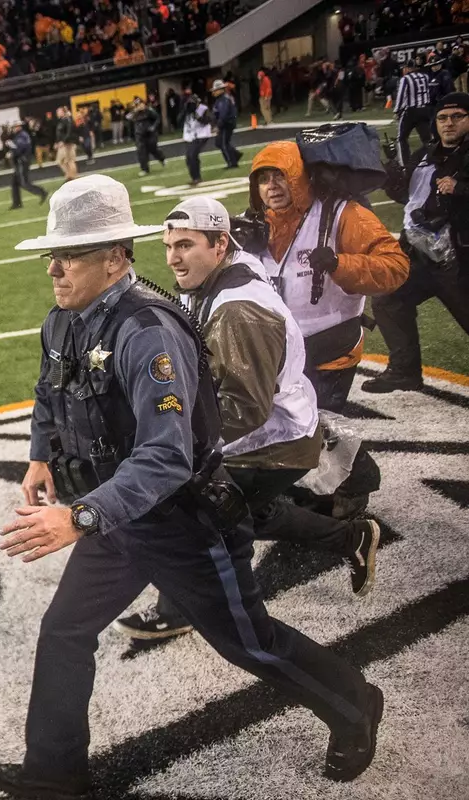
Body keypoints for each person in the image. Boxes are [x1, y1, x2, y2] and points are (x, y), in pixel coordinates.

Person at [0, 174, 383, 800]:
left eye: (71, 254)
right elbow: (48, 392)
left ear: (116, 256)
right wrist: (41, 458)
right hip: (118, 517)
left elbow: (167, 458)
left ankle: (356, 704)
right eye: (51, 255)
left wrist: (79, 518)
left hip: (181, 521)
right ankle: (55, 773)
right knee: (64, 630)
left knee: (250, 643)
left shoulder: (148, 332)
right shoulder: (65, 320)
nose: (55, 268)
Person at [115, 198, 381, 642]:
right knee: (244, 512)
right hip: (275, 426)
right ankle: (351, 539)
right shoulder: (222, 273)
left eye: (185, 245)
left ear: (220, 244)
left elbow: (245, 408)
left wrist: (174, 440)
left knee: (190, 508)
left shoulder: (238, 309)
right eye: (167, 245)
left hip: (273, 440)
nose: (172, 257)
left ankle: (181, 608)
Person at [248, 142, 409, 411]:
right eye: (263, 179)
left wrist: (340, 265)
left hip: (330, 349)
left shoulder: (342, 214)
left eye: (280, 175)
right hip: (280, 352)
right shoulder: (254, 225)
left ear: (300, 175)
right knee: (289, 436)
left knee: (318, 432)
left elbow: (395, 266)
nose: (272, 185)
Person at [366, 91, 469, 392]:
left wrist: (460, 188)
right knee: (388, 297)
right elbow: (409, 197)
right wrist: (391, 179)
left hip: (460, 261)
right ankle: (404, 371)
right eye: (442, 118)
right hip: (420, 255)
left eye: (458, 116)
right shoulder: (425, 154)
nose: (449, 123)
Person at [394, 58, 435, 167]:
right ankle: (432, 161)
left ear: (407, 68)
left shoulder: (406, 79)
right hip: (424, 110)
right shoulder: (425, 76)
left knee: (401, 138)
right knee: (427, 139)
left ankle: (404, 165)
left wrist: (397, 111)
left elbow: (401, 95)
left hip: (411, 112)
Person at [6, 122, 49, 210]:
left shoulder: (21, 136)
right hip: (21, 161)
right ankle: (17, 203)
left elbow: (20, 148)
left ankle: (42, 192)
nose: (13, 129)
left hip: (22, 161)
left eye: (14, 127)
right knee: (14, 183)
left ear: (18, 127)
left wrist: (11, 151)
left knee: (24, 183)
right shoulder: (21, 135)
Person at [182, 89, 213, 186]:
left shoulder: (203, 108)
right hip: (191, 136)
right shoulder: (187, 111)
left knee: (192, 155)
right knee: (189, 157)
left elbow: (208, 120)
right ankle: (195, 177)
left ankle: (197, 178)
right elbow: (178, 121)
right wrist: (185, 111)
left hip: (201, 135)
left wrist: (198, 116)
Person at [130, 97, 166, 176]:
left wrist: (153, 127)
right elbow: (129, 118)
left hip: (150, 134)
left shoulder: (149, 111)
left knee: (153, 148)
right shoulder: (135, 113)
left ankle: (161, 158)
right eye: (138, 105)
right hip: (140, 135)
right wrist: (134, 112)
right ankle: (145, 169)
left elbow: (157, 119)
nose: (140, 106)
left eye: (141, 104)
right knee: (141, 151)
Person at [211, 78, 241, 169]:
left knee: (223, 143)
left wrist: (218, 126)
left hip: (226, 124)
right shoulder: (221, 99)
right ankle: (235, 155)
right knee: (219, 142)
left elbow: (223, 115)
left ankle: (232, 163)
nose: (214, 92)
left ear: (220, 90)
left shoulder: (224, 100)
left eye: (215, 90)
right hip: (225, 123)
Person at [54, 106, 79, 181]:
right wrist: (57, 142)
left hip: (68, 143)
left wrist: (63, 141)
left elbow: (69, 132)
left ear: (63, 112)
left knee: (70, 161)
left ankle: (73, 176)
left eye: (58, 111)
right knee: (62, 161)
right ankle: (69, 175)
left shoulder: (67, 120)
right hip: (63, 143)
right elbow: (60, 133)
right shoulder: (62, 121)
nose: (57, 113)